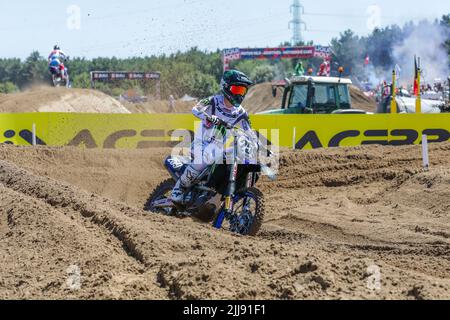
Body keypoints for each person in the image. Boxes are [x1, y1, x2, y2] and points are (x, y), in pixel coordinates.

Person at [171, 70, 254, 204]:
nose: (239, 94)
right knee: (204, 159)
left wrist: (258, 145)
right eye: (236, 89)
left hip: (219, 147)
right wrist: (208, 117)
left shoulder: (241, 113)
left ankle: (217, 194)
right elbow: (195, 109)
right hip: (201, 143)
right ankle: (178, 188)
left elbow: (249, 132)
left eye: (242, 91)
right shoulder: (214, 101)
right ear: (226, 87)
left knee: (235, 159)